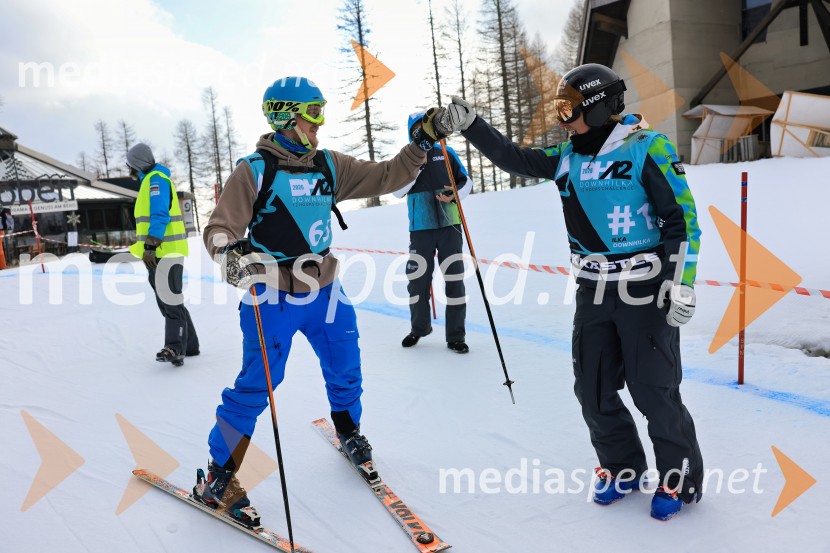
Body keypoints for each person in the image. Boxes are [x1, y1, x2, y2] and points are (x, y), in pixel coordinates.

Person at [431, 63, 703, 521]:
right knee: (593, 386)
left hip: (644, 287)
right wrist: (472, 125)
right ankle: (622, 468)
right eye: (559, 110)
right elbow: (514, 158)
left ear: (597, 107)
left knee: (653, 389)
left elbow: (682, 220)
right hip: (593, 288)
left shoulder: (645, 148)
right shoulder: (567, 157)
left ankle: (678, 478)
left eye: (569, 109)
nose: (563, 119)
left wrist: (681, 282)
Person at [194, 77, 442, 527]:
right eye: (313, 113)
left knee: (346, 365)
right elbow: (219, 228)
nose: (320, 122)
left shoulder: (328, 165)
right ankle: (218, 475)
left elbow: (387, 175)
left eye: (322, 111)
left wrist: (419, 144)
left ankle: (349, 431)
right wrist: (229, 254)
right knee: (256, 385)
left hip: (325, 288)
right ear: (286, 117)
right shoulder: (255, 170)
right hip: (271, 294)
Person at [393, 112, 471, 353]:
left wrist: (454, 194)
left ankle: (456, 336)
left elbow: (466, 182)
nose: (422, 132)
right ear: (411, 132)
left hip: (450, 226)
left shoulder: (446, 152)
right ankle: (419, 329)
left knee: (454, 281)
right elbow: (397, 191)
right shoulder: (407, 158)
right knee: (417, 283)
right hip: (421, 229)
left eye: (426, 128)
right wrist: (414, 168)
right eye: (417, 129)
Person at [127, 143, 200, 367]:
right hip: (164, 252)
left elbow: (159, 215)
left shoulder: (155, 181)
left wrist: (150, 246)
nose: (129, 171)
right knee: (171, 299)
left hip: (163, 252)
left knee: (169, 300)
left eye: (130, 166)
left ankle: (175, 347)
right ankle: (189, 346)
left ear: (137, 165)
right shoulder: (153, 180)